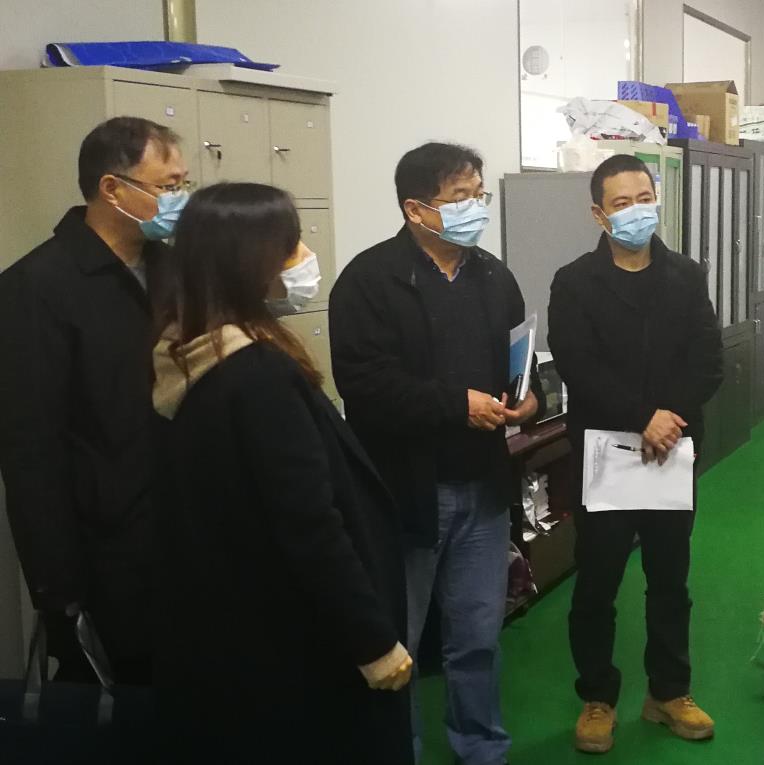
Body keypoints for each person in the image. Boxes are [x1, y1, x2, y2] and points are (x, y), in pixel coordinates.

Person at [150, 182, 412, 764]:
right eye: (290, 246)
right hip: (300, 638)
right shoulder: (256, 376)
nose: (304, 259)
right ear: (251, 261)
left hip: (240, 632)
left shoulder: (188, 353)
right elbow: (309, 524)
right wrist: (373, 643)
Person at [330, 142, 542, 765]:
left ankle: (480, 746)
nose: (475, 207)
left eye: (478, 194)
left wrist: (527, 398)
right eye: (459, 197)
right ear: (416, 208)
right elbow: (364, 386)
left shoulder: (493, 276)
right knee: (399, 643)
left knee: (478, 636)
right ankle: (400, 750)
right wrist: (456, 405)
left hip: (484, 488)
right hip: (407, 494)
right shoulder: (369, 281)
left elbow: (519, 360)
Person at [0, 116, 190, 684]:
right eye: (168, 186)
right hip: (107, 554)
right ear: (112, 188)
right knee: (120, 707)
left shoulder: (174, 270)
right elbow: (30, 450)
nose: (180, 199)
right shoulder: (37, 287)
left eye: (184, 184)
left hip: (185, 530)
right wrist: (57, 590)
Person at [548, 154, 723, 755]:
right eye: (621, 203)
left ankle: (669, 692)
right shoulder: (574, 281)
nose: (635, 211)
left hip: (672, 451)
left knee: (670, 580)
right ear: (599, 214)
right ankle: (597, 697)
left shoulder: (686, 275)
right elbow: (578, 364)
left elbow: (707, 359)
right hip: (606, 454)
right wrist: (641, 416)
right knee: (597, 583)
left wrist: (668, 418)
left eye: (643, 198)